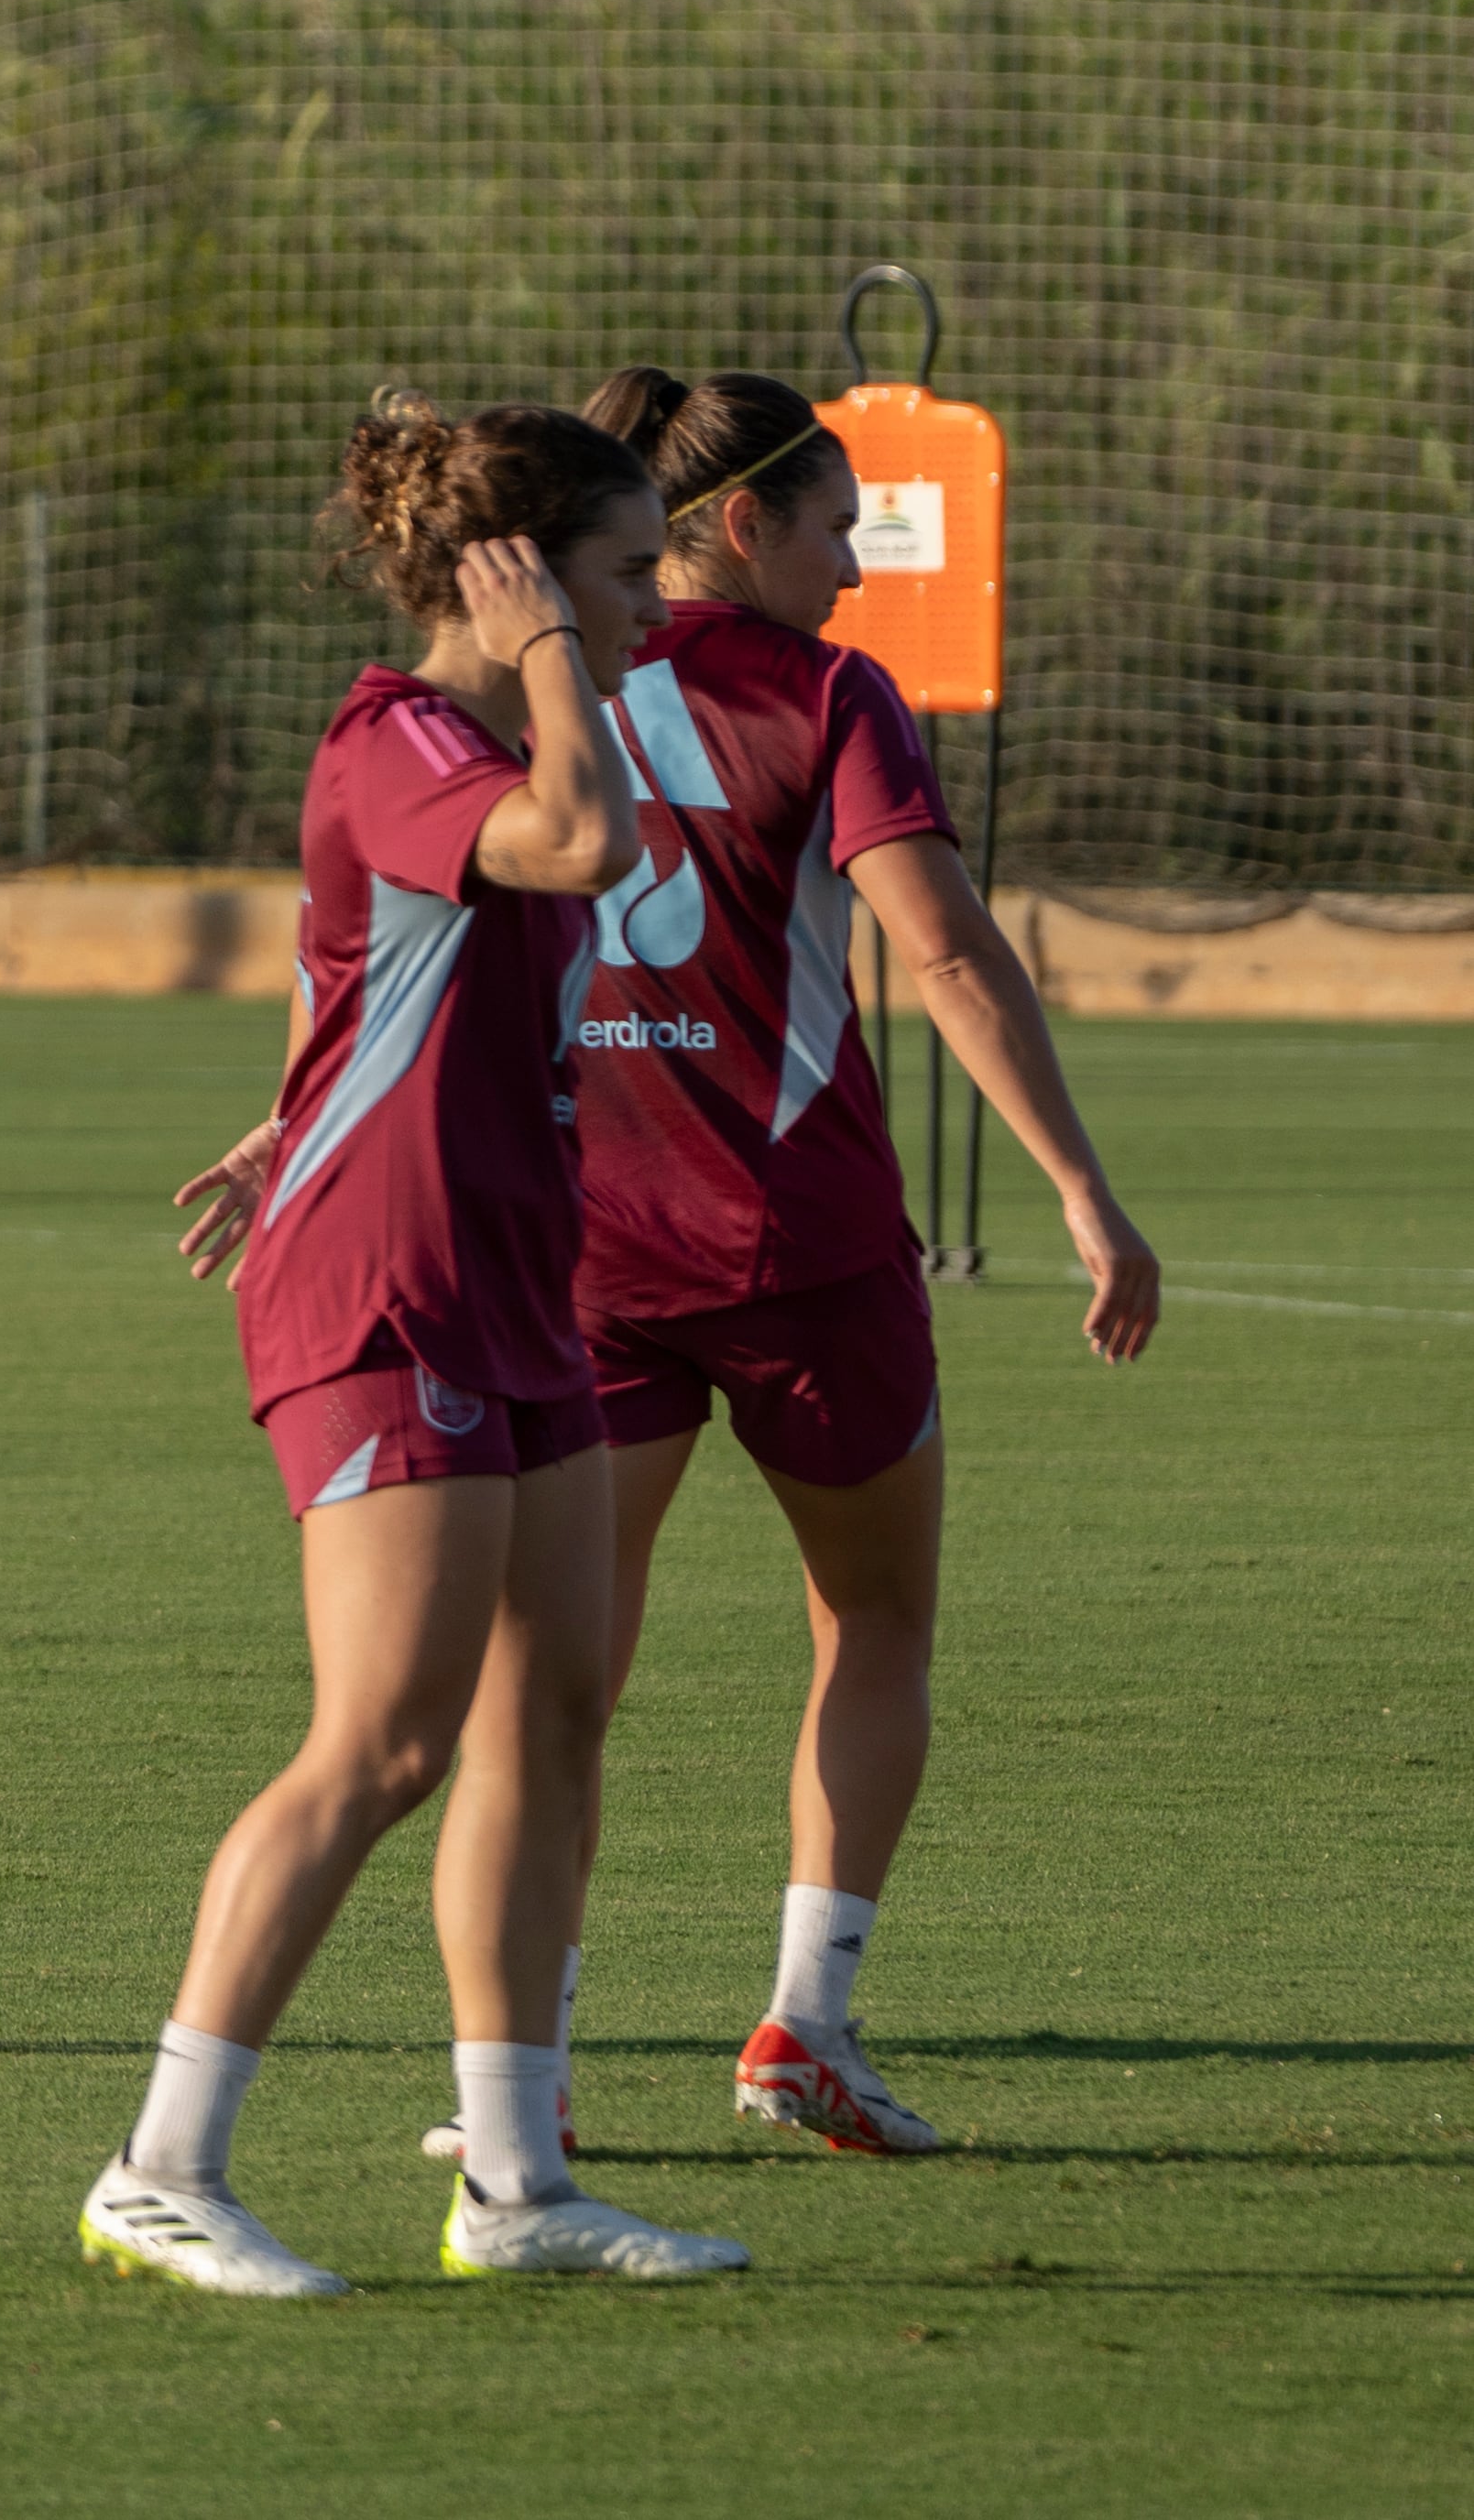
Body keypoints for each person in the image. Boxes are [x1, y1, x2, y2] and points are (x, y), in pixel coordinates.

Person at [86, 395, 744, 2296]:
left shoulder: (473, 728)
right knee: (377, 1740)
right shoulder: (402, 738)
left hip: (516, 1280)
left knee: (546, 1715)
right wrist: (553, 650)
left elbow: (376, 987)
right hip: (384, 1293)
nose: (649, 603)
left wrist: (281, 1108)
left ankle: (518, 2186)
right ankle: (160, 2161)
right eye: (622, 572)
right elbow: (580, 839)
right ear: (516, 576)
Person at [520, 364, 1152, 2155]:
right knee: (873, 1620)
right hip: (802, 1247)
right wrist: (1083, 1191)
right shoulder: (826, 694)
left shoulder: (544, 690)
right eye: (837, 528)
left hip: (583, 1257)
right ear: (742, 526)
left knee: (564, 1676)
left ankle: (529, 2068)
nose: (859, 572)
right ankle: (804, 2026)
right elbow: (944, 953)